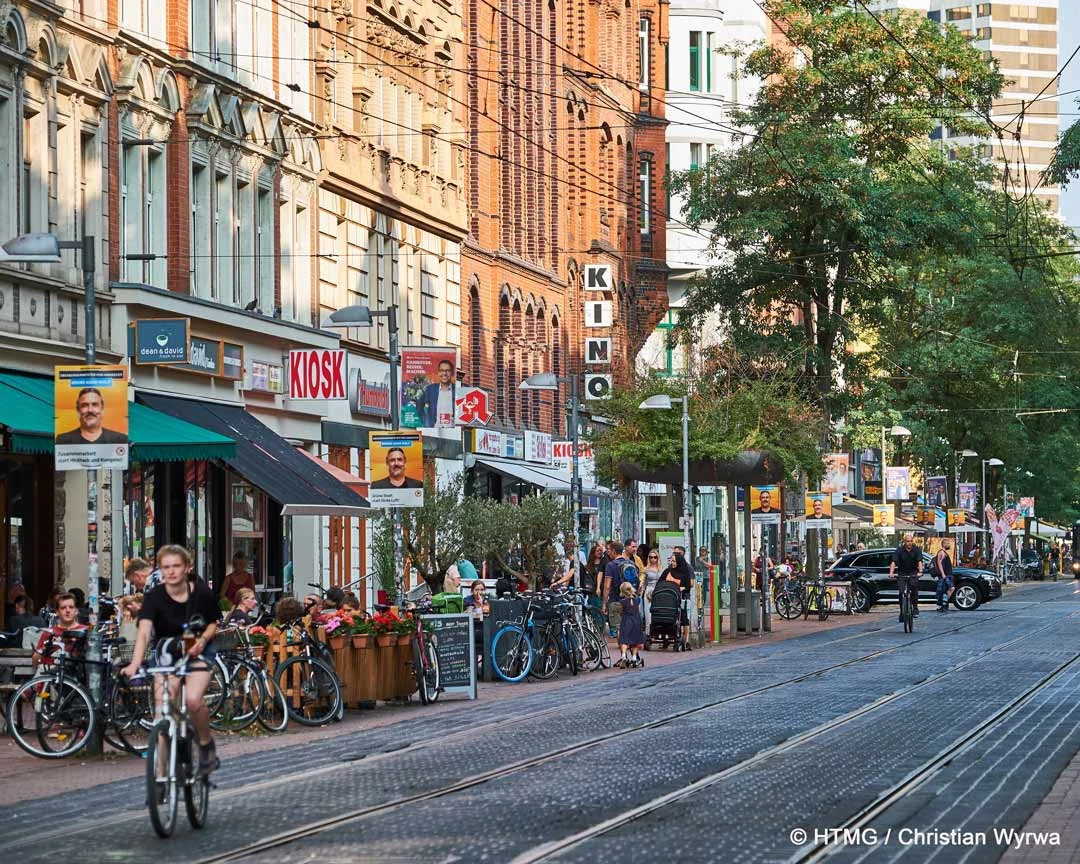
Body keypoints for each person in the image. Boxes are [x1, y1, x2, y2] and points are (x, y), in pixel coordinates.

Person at [121, 544, 221, 775]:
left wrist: (203, 641)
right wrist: (135, 663)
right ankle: (160, 773)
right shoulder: (154, 597)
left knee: (194, 700)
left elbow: (213, 623)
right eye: (166, 567)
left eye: (176, 566)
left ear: (187, 567)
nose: (171, 572)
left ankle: (205, 744)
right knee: (163, 710)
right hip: (167, 651)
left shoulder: (201, 593)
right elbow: (145, 631)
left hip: (197, 648)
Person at [31, 592, 87, 670]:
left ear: (76, 611)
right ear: (57, 612)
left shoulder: (85, 631)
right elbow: (35, 662)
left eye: (71, 607)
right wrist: (47, 647)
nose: (68, 610)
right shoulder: (49, 632)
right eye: (63, 608)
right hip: (49, 676)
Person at [55, 387, 127, 444]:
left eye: (95, 404)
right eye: (84, 405)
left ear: (102, 409)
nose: (90, 410)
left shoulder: (119, 440)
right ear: (78, 410)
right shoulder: (63, 440)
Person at [659, 551, 694, 650]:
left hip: (679, 599)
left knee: (683, 618)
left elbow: (688, 586)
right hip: (666, 599)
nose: (672, 563)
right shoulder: (667, 571)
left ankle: (686, 641)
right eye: (671, 561)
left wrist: (682, 588)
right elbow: (660, 582)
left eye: (674, 561)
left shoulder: (684, 572)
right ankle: (665, 637)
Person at [602, 541, 636, 638]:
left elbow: (607, 586)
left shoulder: (611, 565)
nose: (608, 553)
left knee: (618, 628)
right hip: (630, 600)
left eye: (609, 551)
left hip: (615, 600)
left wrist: (604, 604)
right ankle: (629, 646)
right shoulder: (631, 563)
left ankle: (623, 649)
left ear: (613, 551)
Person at [888, 535, 923, 621]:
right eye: (907, 541)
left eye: (911, 541)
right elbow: (893, 562)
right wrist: (891, 573)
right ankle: (902, 612)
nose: (909, 543)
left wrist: (920, 571)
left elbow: (919, 561)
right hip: (902, 573)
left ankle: (915, 608)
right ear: (904, 542)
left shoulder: (916, 550)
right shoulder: (899, 550)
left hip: (913, 573)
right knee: (901, 592)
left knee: (914, 587)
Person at [615, 581, 645, 668]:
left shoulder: (622, 602)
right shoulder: (637, 600)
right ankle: (634, 659)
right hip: (636, 621)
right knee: (635, 641)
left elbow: (621, 612)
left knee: (624, 640)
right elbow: (638, 610)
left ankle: (623, 656)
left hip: (626, 621)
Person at [419, 358, 456, 427]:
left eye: (447, 370)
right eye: (442, 370)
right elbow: (419, 405)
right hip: (434, 431)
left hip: (453, 431)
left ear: (452, 373)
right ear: (438, 372)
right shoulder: (431, 389)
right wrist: (425, 421)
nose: (444, 373)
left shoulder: (457, 390)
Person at [933, 540, 954, 612]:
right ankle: (943, 604)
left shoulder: (944, 553)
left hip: (948, 574)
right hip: (945, 575)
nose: (949, 545)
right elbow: (939, 564)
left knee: (945, 590)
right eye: (948, 543)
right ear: (944, 544)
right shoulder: (941, 552)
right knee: (950, 588)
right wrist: (943, 574)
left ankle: (943, 604)